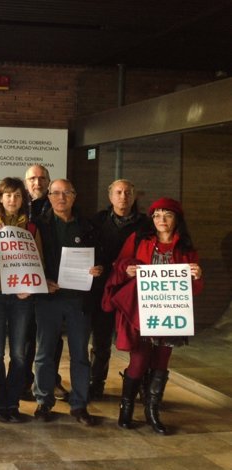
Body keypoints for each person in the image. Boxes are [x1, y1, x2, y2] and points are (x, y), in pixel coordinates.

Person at [103, 197, 203, 434]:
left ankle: (152, 411)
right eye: (157, 215)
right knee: (138, 362)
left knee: (161, 363)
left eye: (167, 215)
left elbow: (195, 290)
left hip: (171, 314)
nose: (161, 220)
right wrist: (127, 269)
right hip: (143, 312)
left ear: (177, 219)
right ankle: (126, 407)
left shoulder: (186, 248)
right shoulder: (139, 239)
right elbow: (120, 264)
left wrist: (197, 276)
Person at [33, 179, 103, 426]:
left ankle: (79, 405)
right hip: (48, 298)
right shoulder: (38, 226)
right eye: (56, 193)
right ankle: (43, 401)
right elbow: (30, 259)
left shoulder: (88, 226)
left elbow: (101, 256)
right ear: (48, 197)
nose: (61, 198)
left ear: (74, 196)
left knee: (80, 355)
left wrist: (98, 269)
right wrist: (43, 280)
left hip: (78, 300)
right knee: (44, 353)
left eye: (66, 193)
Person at [0, 177, 41, 422]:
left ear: (23, 199)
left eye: (17, 195)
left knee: (18, 353)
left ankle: (12, 403)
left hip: (21, 295)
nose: (12, 200)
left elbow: (39, 262)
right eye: (8, 195)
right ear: (0, 198)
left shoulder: (32, 228)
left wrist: (31, 287)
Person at [88, 179, 147, 400]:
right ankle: (96, 383)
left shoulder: (145, 225)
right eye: (119, 192)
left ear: (134, 197)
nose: (123, 197)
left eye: (128, 192)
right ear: (110, 196)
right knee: (101, 341)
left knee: (138, 343)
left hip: (133, 292)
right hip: (104, 290)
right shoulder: (97, 221)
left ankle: (138, 384)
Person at [22, 163, 68, 402]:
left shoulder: (57, 206)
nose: (37, 183)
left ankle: (52, 380)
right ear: (25, 182)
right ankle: (25, 381)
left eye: (42, 179)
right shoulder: (17, 204)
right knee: (25, 336)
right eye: (32, 179)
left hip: (51, 284)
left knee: (51, 338)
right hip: (23, 283)